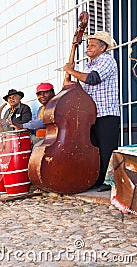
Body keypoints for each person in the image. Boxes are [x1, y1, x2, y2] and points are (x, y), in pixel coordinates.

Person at [63, 31, 119, 192]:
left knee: (107, 149)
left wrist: (71, 70)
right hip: (92, 116)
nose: (88, 47)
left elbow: (93, 79)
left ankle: (109, 182)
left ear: (103, 47)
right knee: (95, 149)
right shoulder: (90, 65)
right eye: (88, 44)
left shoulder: (107, 60)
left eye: (93, 45)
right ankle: (98, 179)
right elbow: (83, 85)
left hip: (106, 113)